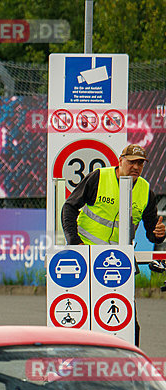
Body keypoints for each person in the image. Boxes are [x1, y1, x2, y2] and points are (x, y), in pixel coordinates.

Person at [61, 143, 166, 345]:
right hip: (87, 257)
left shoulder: (146, 191)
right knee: (85, 316)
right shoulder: (99, 177)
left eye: (140, 164)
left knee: (126, 320)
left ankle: (130, 365)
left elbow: (153, 233)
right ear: (120, 161)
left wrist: (159, 234)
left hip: (118, 263)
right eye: (131, 162)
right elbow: (69, 207)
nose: (135, 167)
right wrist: (74, 242)